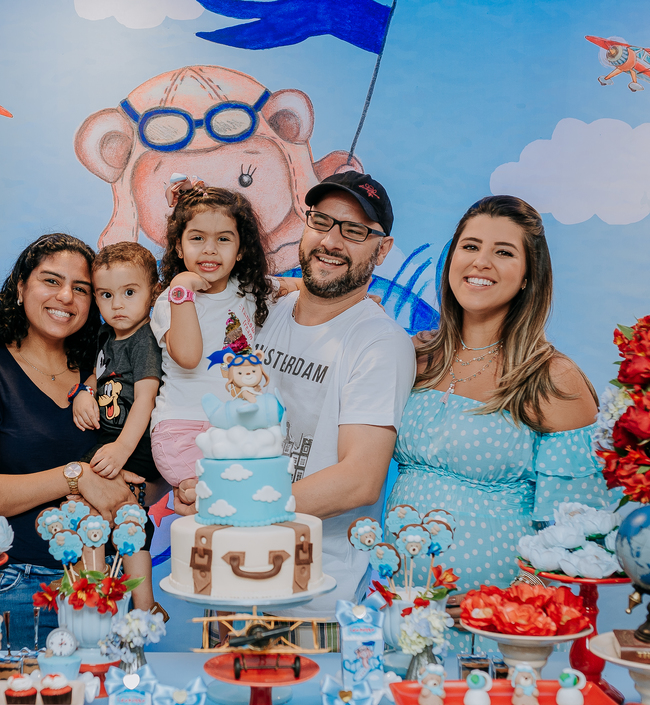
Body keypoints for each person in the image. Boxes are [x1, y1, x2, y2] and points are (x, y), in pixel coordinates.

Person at [386, 195, 613, 597]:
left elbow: (577, 530)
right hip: (398, 605)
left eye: (503, 252)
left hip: (498, 623)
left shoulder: (551, 378)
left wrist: (510, 608)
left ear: (528, 275)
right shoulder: (415, 356)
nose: (481, 262)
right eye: (470, 247)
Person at [0, 233, 143, 647]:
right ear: (21, 287)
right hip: (17, 588)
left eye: (82, 289)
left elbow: (137, 466)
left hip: (108, 581)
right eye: (51, 281)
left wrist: (140, 484)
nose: (66, 296)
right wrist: (76, 476)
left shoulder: (102, 370)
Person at [251, 171, 417, 622]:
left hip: (314, 594)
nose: (332, 241)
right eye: (321, 222)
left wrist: (237, 505)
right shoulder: (264, 314)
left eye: (355, 230)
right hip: (234, 572)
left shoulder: (379, 343)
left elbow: (359, 478)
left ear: (382, 250)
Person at [148, 184, 277, 509]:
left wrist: (355, 301)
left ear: (241, 249)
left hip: (237, 428)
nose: (209, 249)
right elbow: (189, 357)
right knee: (222, 504)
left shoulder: (250, 291)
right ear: (178, 247)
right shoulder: (171, 301)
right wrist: (182, 289)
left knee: (246, 503)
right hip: (182, 429)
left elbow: (299, 288)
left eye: (223, 239)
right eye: (197, 238)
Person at [71, 241, 164, 612]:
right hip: (111, 438)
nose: (118, 305)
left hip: (132, 443)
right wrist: (84, 391)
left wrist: (123, 448)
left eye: (129, 292)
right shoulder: (106, 335)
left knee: (95, 504)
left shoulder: (145, 340)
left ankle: (102, 593)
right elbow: (96, 373)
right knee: (115, 515)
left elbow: (146, 400)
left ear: (153, 292)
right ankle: (124, 598)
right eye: (106, 295)